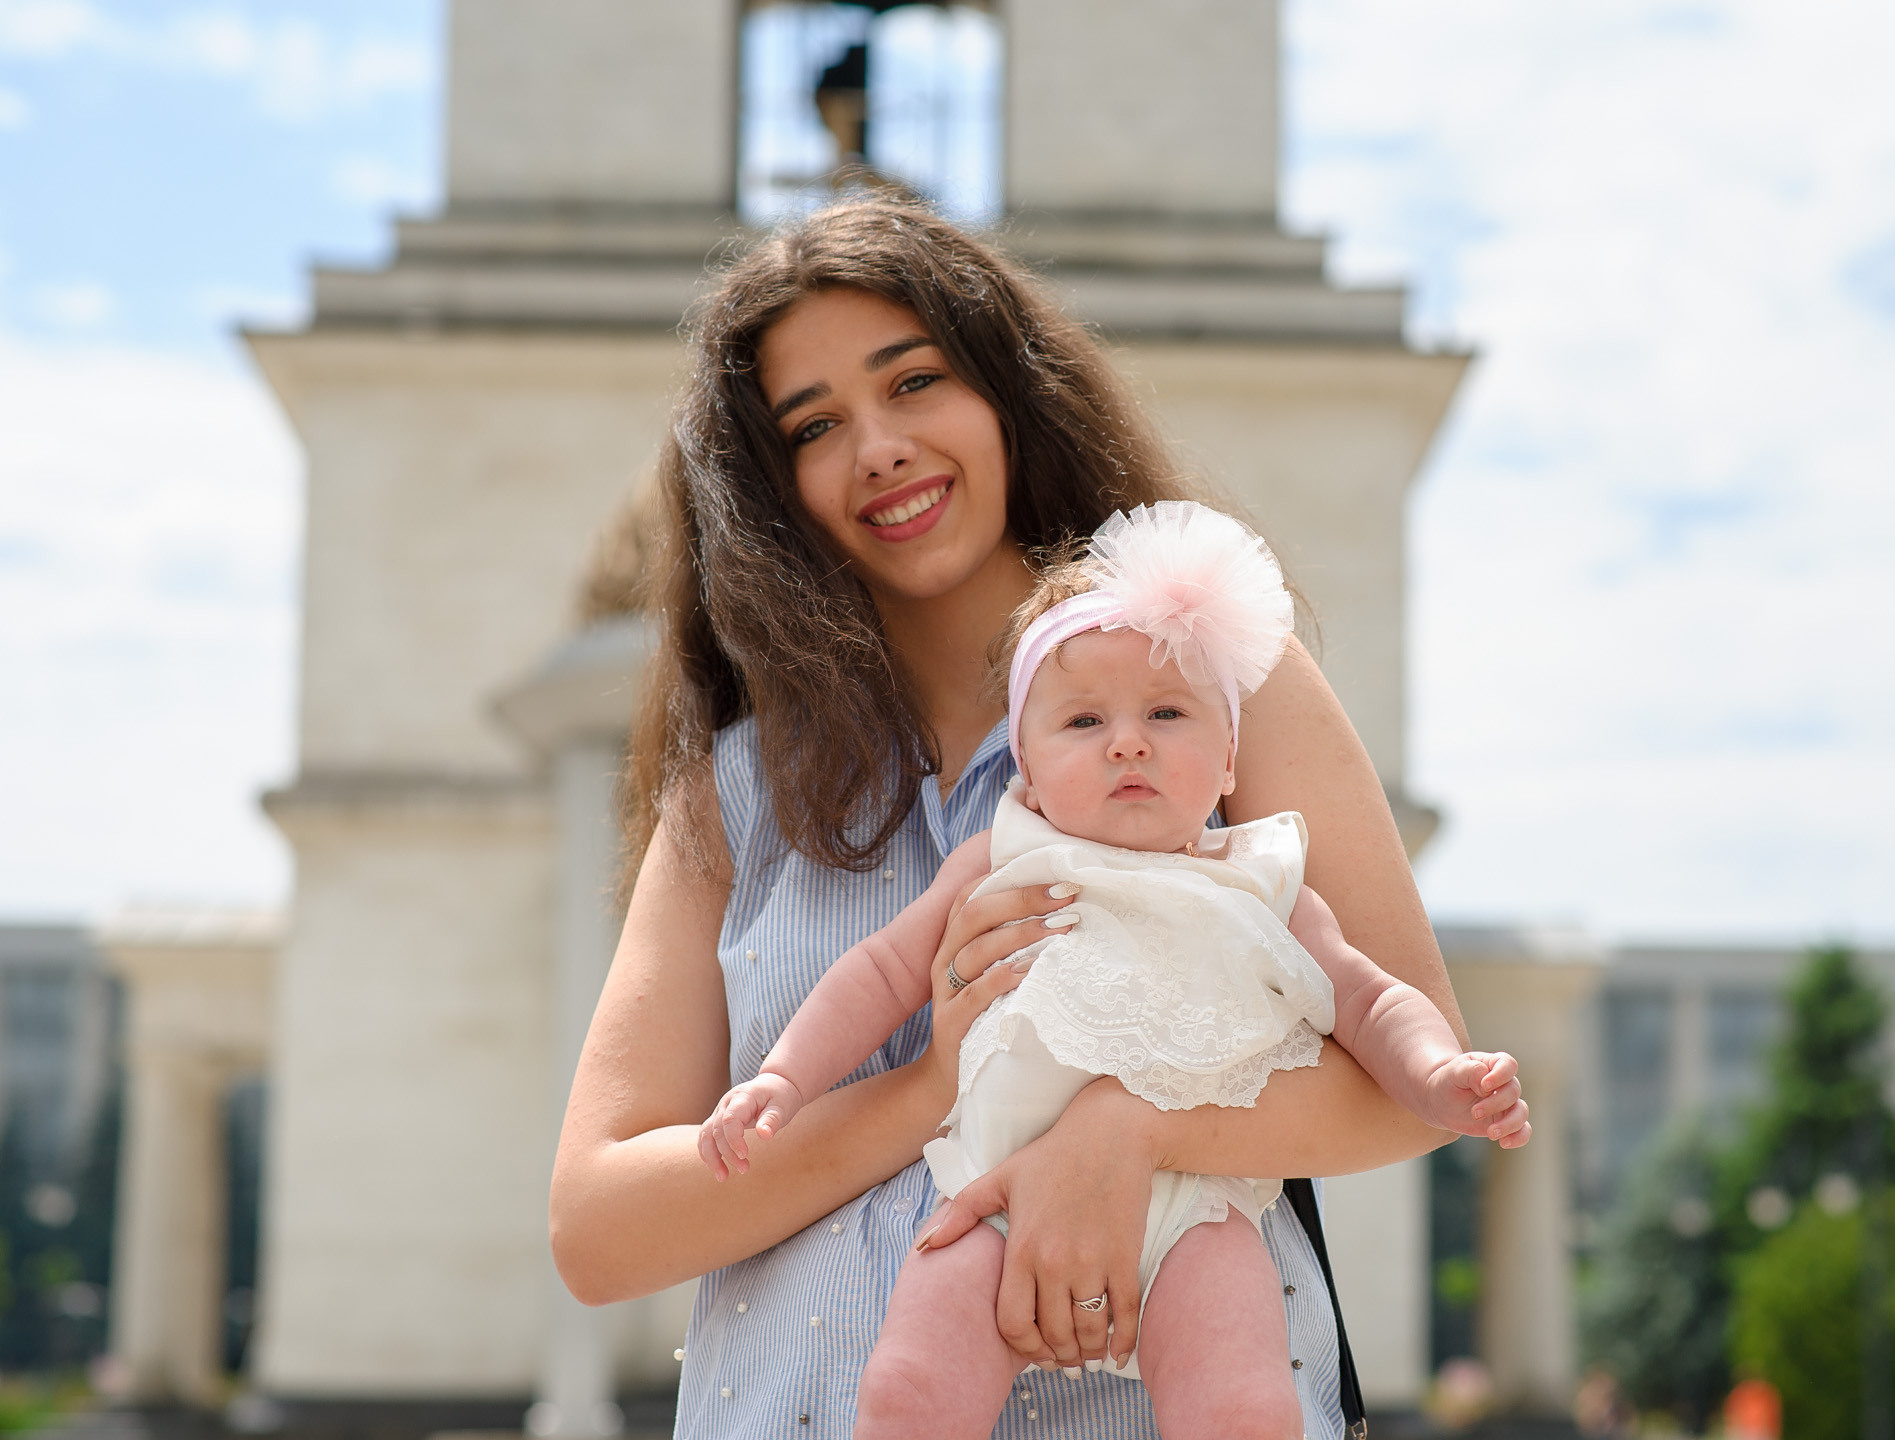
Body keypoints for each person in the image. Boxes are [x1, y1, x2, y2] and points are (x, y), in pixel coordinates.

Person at [546, 198, 1529, 1440]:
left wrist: (1131, 1127)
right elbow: (598, 1231)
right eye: (815, 425)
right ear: (771, 485)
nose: (879, 447)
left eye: (915, 380)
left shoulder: (1212, 680)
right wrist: (935, 1088)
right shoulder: (731, 791)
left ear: (1009, 391)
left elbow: (1408, 1085)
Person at [699, 500, 1529, 1440]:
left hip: (1200, 1208)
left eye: (1167, 713)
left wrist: (1438, 1074)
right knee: (908, 1393)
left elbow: (1371, 1000)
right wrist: (782, 1077)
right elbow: (880, 972)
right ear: (1026, 763)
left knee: (1246, 1408)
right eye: (1084, 720)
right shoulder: (1003, 860)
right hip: (992, 1187)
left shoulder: (1264, 882)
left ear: (1228, 758)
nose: (1128, 741)